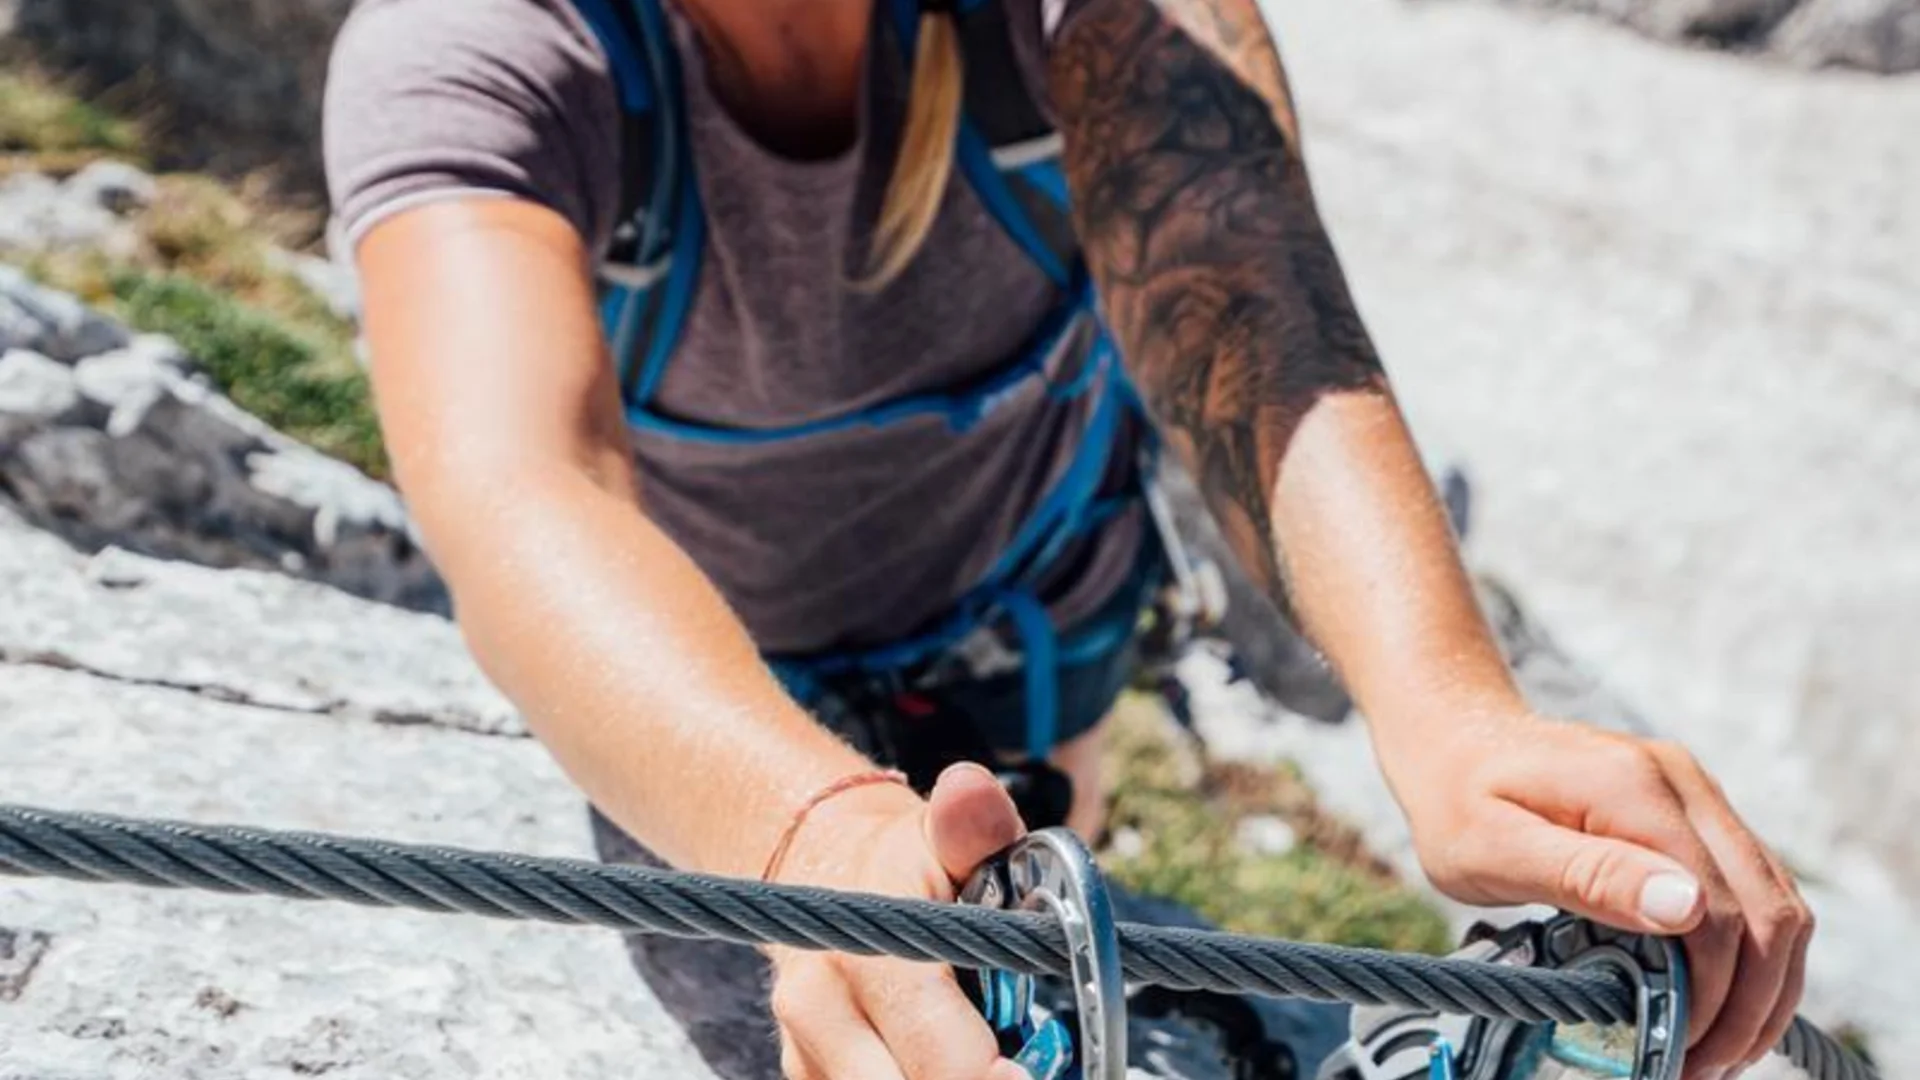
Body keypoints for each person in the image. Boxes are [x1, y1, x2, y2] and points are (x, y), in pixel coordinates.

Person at [322, 0, 1811, 1077]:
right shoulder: (474, 55)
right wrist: (807, 836)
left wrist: (1451, 710)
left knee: (1026, 947)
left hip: (1025, 613)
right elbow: (522, 490)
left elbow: (1253, 312)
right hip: (726, 679)